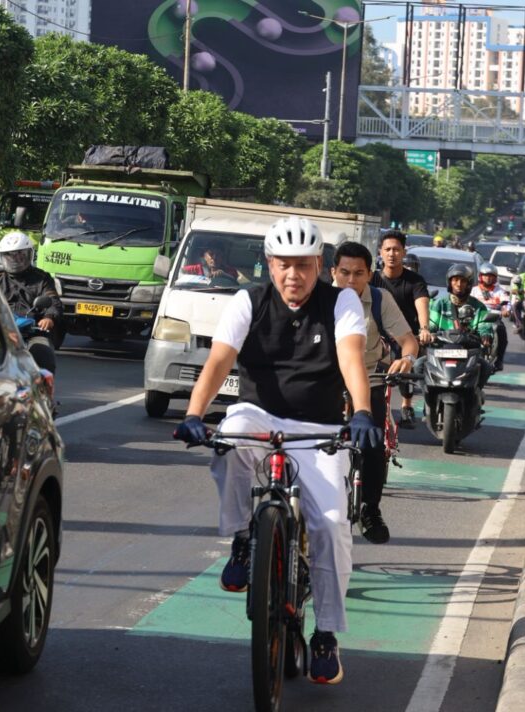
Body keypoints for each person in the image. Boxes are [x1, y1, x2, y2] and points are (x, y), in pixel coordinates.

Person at [173, 216, 380, 686]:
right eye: (284, 264)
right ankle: (243, 538)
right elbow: (219, 359)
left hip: (319, 427)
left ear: (319, 266)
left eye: (303, 265)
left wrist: (363, 412)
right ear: (269, 264)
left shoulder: (341, 301)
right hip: (258, 416)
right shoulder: (248, 301)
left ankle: (325, 634)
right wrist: (194, 413)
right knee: (229, 438)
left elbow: (350, 356)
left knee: (332, 525)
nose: (293, 275)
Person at [330, 241, 418, 545]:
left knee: (373, 443)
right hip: (327, 383)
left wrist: (407, 358)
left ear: (370, 274)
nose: (351, 280)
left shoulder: (381, 299)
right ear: (333, 272)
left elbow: (408, 340)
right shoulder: (319, 299)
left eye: (358, 273)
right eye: (344, 272)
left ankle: (370, 508)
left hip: (370, 380)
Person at [371, 230, 433, 428]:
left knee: (408, 365)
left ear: (404, 252)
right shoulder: (372, 279)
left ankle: (406, 406)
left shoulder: (415, 281)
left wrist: (424, 329)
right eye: (387, 249)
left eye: (396, 250)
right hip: (377, 337)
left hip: (405, 337)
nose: (392, 254)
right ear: (380, 252)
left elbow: (422, 304)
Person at [0, 231, 63, 331]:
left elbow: (53, 301)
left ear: (30, 255)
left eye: (20, 255)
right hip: (0, 328)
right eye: (9, 256)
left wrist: (49, 317)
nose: (15, 260)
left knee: (43, 341)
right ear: (2, 257)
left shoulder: (42, 278)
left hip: (32, 329)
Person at [429, 263, 494, 350]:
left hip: (470, 351)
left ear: (469, 284)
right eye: (455, 280)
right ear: (450, 282)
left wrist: (485, 336)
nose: (459, 284)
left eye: (463, 281)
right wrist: (428, 334)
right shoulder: (439, 304)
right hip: (441, 349)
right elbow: (431, 325)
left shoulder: (479, 307)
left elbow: (484, 327)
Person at [470, 262, 509, 371]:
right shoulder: (473, 290)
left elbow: (507, 302)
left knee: (502, 332)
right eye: (485, 276)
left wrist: (506, 310)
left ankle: (499, 360)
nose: (488, 278)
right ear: (480, 276)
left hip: (494, 318)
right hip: (477, 318)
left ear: (495, 278)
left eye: (491, 276)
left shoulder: (499, 291)